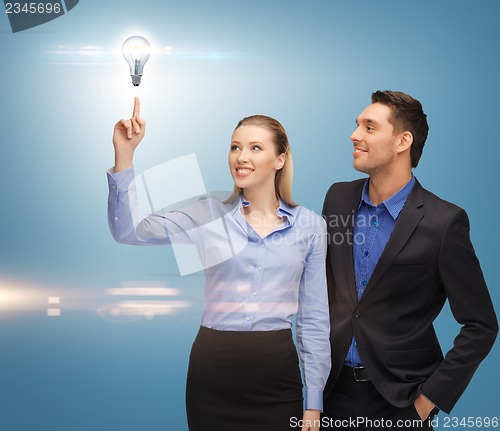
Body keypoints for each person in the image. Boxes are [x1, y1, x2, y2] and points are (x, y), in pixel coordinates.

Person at [107, 97, 331, 431]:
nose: (241, 157)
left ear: (279, 159)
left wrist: (314, 402)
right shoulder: (207, 213)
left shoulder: (311, 226)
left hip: (276, 371)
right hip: (212, 370)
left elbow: (313, 319)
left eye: (256, 148)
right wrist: (124, 155)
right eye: (235, 147)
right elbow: (129, 231)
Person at [322, 90, 498, 430]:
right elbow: (326, 285)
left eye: (369, 127)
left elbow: (481, 326)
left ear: (404, 141)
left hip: (399, 402)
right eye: (357, 125)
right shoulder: (338, 199)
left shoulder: (444, 223)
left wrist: (425, 403)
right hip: (331, 396)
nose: (354, 135)